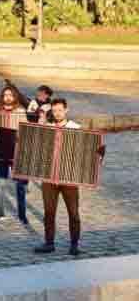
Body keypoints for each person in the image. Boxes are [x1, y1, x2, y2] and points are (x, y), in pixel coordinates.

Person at [35, 98, 105, 256]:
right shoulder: (47, 127)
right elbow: (35, 145)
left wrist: (98, 156)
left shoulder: (76, 128)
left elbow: (86, 152)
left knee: (73, 213)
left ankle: (74, 244)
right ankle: (49, 243)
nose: (57, 113)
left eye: (60, 110)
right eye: (54, 110)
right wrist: (41, 118)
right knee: (49, 212)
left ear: (66, 110)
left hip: (69, 178)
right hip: (50, 178)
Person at [0, 83, 30, 225]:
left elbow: (25, 129)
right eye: (5, 95)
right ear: (2, 97)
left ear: (14, 97)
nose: (7, 97)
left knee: (20, 185)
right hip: (0, 153)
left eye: (10, 95)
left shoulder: (20, 111)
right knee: (1, 184)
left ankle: (22, 214)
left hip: (15, 151)